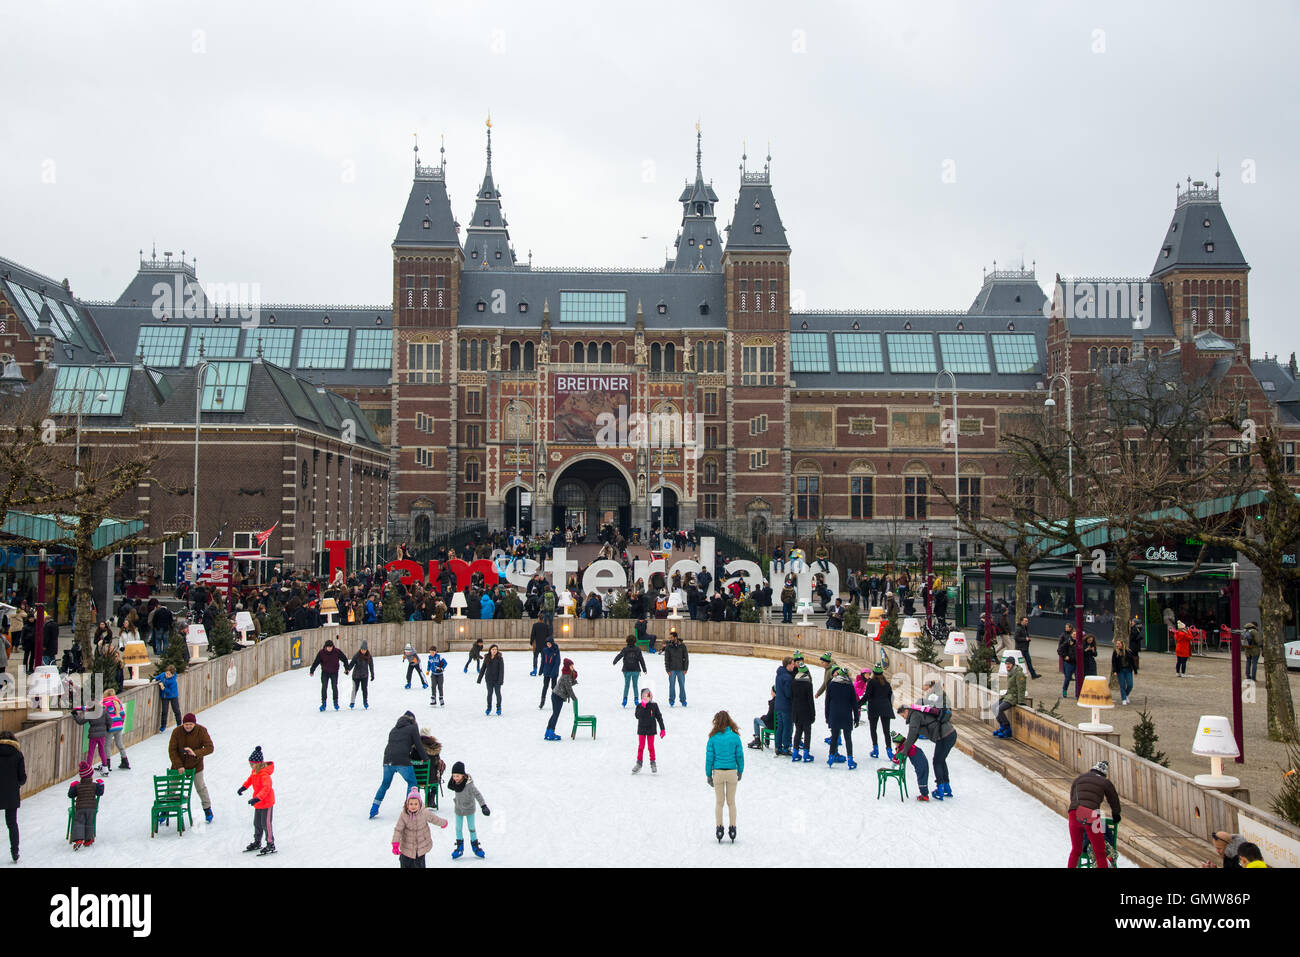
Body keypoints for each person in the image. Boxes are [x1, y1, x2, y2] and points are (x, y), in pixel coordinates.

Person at [898, 698, 958, 800]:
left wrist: (904, 751)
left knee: (937, 762)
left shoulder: (914, 716)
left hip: (944, 736)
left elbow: (912, 733)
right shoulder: (917, 714)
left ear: (906, 711)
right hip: (950, 734)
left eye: (903, 715)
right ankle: (946, 788)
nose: (904, 718)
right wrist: (906, 749)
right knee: (940, 760)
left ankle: (940, 790)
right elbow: (915, 735)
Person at [371, 711, 427, 818]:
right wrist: (426, 759)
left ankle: (374, 808)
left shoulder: (393, 729)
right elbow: (419, 745)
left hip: (387, 760)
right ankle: (409, 811)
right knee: (412, 782)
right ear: (413, 720)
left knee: (385, 784)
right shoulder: (413, 728)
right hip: (402, 760)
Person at [1066, 760, 1121, 868]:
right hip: (1091, 814)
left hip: (1074, 812)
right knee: (1100, 853)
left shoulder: (1079, 778)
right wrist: (1116, 814)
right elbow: (1114, 799)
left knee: (1076, 850)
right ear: (1104, 774)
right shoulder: (1105, 782)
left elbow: (1072, 795)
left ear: (1092, 769)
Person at [168, 712, 215, 822]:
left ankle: (207, 809)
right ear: (183, 724)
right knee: (172, 787)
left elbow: (210, 747)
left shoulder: (201, 730)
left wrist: (195, 753)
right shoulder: (176, 732)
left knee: (200, 787)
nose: (188, 726)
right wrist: (178, 765)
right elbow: (172, 750)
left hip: (196, 765)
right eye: (186, 724)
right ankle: (166, 809)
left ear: (194, 724)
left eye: (191, 724)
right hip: (178, 765)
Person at [705, 710, 744, 843]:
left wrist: (708, 775)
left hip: (718, 773)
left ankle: (719, 827)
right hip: (732, 772)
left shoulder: (713, 738)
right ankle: (732, 827)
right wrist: (740, 770)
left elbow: (709, 758)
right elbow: (739, 756)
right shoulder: (735, 737)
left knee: (719, 802)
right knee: (731, 802)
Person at [392, 785, 449, 868]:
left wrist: (443, 823)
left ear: (420, 803)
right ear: (407, 804)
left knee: (419, 865)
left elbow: (434, 819)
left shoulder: (424, 813)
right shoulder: (404, 815)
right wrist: (395, 844)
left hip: (420, 848)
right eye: (411, 804)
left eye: (416, 804)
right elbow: (398, 830)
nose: (413, 806)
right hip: (406, 848)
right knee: (404, 863)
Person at [447, 761, 490, 859]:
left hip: (469, 809)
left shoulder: (469, 785)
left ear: (463, 775)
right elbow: (449, 786)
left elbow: (477, 794)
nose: (455, 778)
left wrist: (483, 806)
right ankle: (459, 847)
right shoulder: (454, 782)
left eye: (458, 776)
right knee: (458, 828)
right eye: (454, 776)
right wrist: (453, 777)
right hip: (459, 809)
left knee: (471, 828)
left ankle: (475, 846)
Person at [238, 745, 276, 856]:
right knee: (257, 823)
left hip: (267, 802)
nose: (251, 767)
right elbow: (250, 780)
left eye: (253, 764)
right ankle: (257, 842)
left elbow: (266, 788)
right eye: (250, 764)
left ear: (259, 763)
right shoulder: (254, 772)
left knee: (266, 823)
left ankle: (270, 843)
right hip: (258, 803)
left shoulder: (264, 774)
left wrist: (257, 798)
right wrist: (243, 787)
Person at [67, 759, 104, 849]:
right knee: (89, 822)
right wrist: (101, 784)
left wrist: (72, 786)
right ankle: (88, 840)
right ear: (91, 776)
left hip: (80, 808)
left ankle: (79, 839)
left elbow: (70, 795)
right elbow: (100, 793)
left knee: (79, 822)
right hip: (91, 808)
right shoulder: (94, 785)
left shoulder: (78, 786)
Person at [0, 730, 25, 861]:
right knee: (12, 824)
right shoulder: (17, 754)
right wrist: (16, 784)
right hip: (11, 794)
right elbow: (23, 778)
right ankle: (14, 852)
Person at [825, 667, 857, 769]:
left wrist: (827, 715)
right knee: (848, 738)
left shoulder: (832, 684)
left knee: (834, 737)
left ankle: (831, 757)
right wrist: (856, 717)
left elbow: (827, 701)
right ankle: (850, 760)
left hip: (834, 714)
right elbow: (854, 703)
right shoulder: (850, 686)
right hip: (846, 714)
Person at [861, 664, 894, 759]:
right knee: (886, 731)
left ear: (874, 673)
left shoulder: (871, 682)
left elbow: (867, 695)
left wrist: (857, 704)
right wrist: (888, 707)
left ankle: (875, 749)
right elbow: (890, 696)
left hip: (874, 708)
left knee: (873, 729)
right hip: (885, 708)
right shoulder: (887, 684)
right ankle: (889, 750)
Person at [889, 729, 933, 801]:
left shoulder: (904, 747)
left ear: (898, 742)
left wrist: (894, 762)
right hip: (921, 760)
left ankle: (924, 795)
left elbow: (899, 756)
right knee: (922, 776)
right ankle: (924, 793)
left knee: (921, 777)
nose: (895, 745)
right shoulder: (907, 744)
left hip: (920, 763)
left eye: (895, 743)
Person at [71, 700, 112, 775]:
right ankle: (105, 769)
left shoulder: (90, 714)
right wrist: (108, 728)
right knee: (102, 751)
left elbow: (80, 722)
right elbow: (109, 720)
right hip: (102, 735)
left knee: (91, 752)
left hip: (93, 735)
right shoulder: (104, 712)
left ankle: (88, 769)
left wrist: (75, 714)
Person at [633, 687, 666, 773]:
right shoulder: (639, 706)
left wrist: (662, 729)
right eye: (645, 696)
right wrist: (643, 707)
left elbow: (659, 717)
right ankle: (639, 763)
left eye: (649, 695)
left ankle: (653, 763)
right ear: (642, 697)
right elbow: (637, 716)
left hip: (651, 729)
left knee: (651, 747)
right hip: (642, 729)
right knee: (641, 747)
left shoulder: (654, 706)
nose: (647, 697)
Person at [310, 638, 349, 711]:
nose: (329, 648)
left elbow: (344, 659)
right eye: (328, 647)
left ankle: (335, 702)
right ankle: (323, 704)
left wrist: (346, 668)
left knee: (334, 686)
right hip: (325, 672)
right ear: (325, 647)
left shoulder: (337, 651)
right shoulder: (321, 653)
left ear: (332, 646)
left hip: (334, 672)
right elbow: (316, 662)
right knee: (324, 687)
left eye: (331, 647)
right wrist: (312, 670)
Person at [545, 659, 578, 740]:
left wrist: (573, 680)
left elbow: (567, 684)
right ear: (567, 666)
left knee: (554, 714)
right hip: (558, 697)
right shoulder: (566, 675)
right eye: (571, 666)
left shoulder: (567, 673)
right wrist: (574, 698)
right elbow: (568, 688)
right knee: (555, 715)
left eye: (572, 665)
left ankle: (548, 732)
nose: (572, 667)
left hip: (556, 695)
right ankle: (551, 733)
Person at [994, 656, 1026, 738]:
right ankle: (1002, 726)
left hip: (1014, 697)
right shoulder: (1010, 672)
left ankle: (1007, 728)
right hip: (1008, 696)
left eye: (1009, 664)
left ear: (1013, 664)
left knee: (999, 709)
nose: (1007, 666)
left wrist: (1021, 702)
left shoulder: (1019, 674)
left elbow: (1021, 688)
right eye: (1006, 664)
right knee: (994, 707)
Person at [790, 661, 816, 763]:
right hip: (806, 712)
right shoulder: (808, 684)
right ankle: (806, 753)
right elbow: (810, 701)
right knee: (807, 733)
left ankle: (795, 752)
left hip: (796, 711)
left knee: (798, 731)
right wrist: (813, 714)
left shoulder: (793, 683)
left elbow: (791, 698)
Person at [612, 635, 648, 707]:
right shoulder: (637, 650)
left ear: (627, 641)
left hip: (627, 670)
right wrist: (644, 669)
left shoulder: (625, 649)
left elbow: (620, 655)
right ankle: (636, 699)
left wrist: (615, 661)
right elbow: (641, 659)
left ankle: (625, 699)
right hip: (635, 670)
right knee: (635, 686)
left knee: (627, 685)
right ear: (635, 641)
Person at [101, 688, 129, 770]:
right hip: (119, 727)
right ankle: (125, 761)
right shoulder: (117, 702)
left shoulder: (105, 704)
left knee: (107, 745)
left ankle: (107, 764)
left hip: (110, 728)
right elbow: (123, 714)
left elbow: (103, 716)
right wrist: (120, 723)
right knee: (120, 744)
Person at [662, 629, 689, 707]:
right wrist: (667, 669)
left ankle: (683, 700)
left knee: (682, 685)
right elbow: (666, 659)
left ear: (675, 637)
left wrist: (685, 669)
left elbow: (686, 658)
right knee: (672, 685)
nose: (670, 639)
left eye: (671, 637)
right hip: (672, 669)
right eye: (669, 637)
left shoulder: (682, 646)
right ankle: (671, 700)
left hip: (681, 669)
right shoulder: (668, 647)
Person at [773, 656, 795, 756]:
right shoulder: (788, 677)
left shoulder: (779, 675)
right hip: (786, 706)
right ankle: (786, 747)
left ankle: (778, 747)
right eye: (792, 664)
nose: (794, 666)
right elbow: (788, 693)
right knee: (787, 727)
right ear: (788, 665)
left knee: (780, 726)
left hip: (778, 704)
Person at [347, 639, 375, 709]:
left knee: (364, 689)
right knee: (355, 689)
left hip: (364, 676)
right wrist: (348, 670)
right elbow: (352, 664)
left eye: (364, 650)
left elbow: (371, 666)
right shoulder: (357, 655)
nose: (363, 651)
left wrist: (372, 674)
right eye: (362, 649)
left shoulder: (369, 656)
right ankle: (352, 702)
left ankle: (365, 702)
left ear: (366, 650)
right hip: (356, 676)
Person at [153, 665, 182, 733]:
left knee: (176, 710)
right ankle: (163, 726)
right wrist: (155, 679)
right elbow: (159, 676)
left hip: (173, 696)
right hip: (164, 697)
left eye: (169, 674)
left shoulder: (173, 681)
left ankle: (179, 725)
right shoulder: (163, 675)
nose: (167, 675)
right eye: (166, 673)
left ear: (172, 674)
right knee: (164, 711)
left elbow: (170, 692)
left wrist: (163, 688)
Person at [478, 644, 504, 715]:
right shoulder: (487, 657)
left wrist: (500, 680)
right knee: (489, 694)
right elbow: (483, 669)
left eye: (496, 649)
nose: (494, 651)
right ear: (490, 650)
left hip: (497, 680)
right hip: (489, 679)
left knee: (498, 694)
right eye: (493, 649)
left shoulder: (500, 658)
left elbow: (501, 671)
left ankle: (499, 708)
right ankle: (489, 708)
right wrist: (479, 679)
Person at [1111, 637, 1137, 706]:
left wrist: (1135, 670)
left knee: (1130, 684)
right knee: (1122, 685)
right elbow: (1114, 662)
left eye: (1119, 643)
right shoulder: (1115, 652)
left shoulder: (1128, 651)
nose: (1118, 645)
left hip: (1128, 670)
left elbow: (1132, 661)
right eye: (1117, 644)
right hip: (1120, 670)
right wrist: (1115, 671)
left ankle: (1126, 694)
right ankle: (1124, 699)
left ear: (1122, 644)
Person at [537, 636, 559, 709]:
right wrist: (541, 670)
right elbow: (543, 661)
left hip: (554, 673)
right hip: (546, 671)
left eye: (549, 644)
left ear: (552, 643)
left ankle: (555, 702)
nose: (548, 645)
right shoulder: (544, 650)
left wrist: (553, 672)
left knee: (553, 687)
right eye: (547, 644)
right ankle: (542, 702)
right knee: (545, 687)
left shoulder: (556, 651)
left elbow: (557, 663)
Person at [1057, 625, 1078, 698]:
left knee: (1078, 679)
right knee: (1068, 678)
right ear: (1072, 635)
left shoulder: (1080, 643)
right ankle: (1064, 689)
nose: (1075, 636)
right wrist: (1065, 656)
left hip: (1077, 663)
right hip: (1069, 663)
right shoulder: (1068, 642)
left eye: (1076, 635)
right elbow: (1059, 650)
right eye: (1074, 634)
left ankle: (1077, 694)